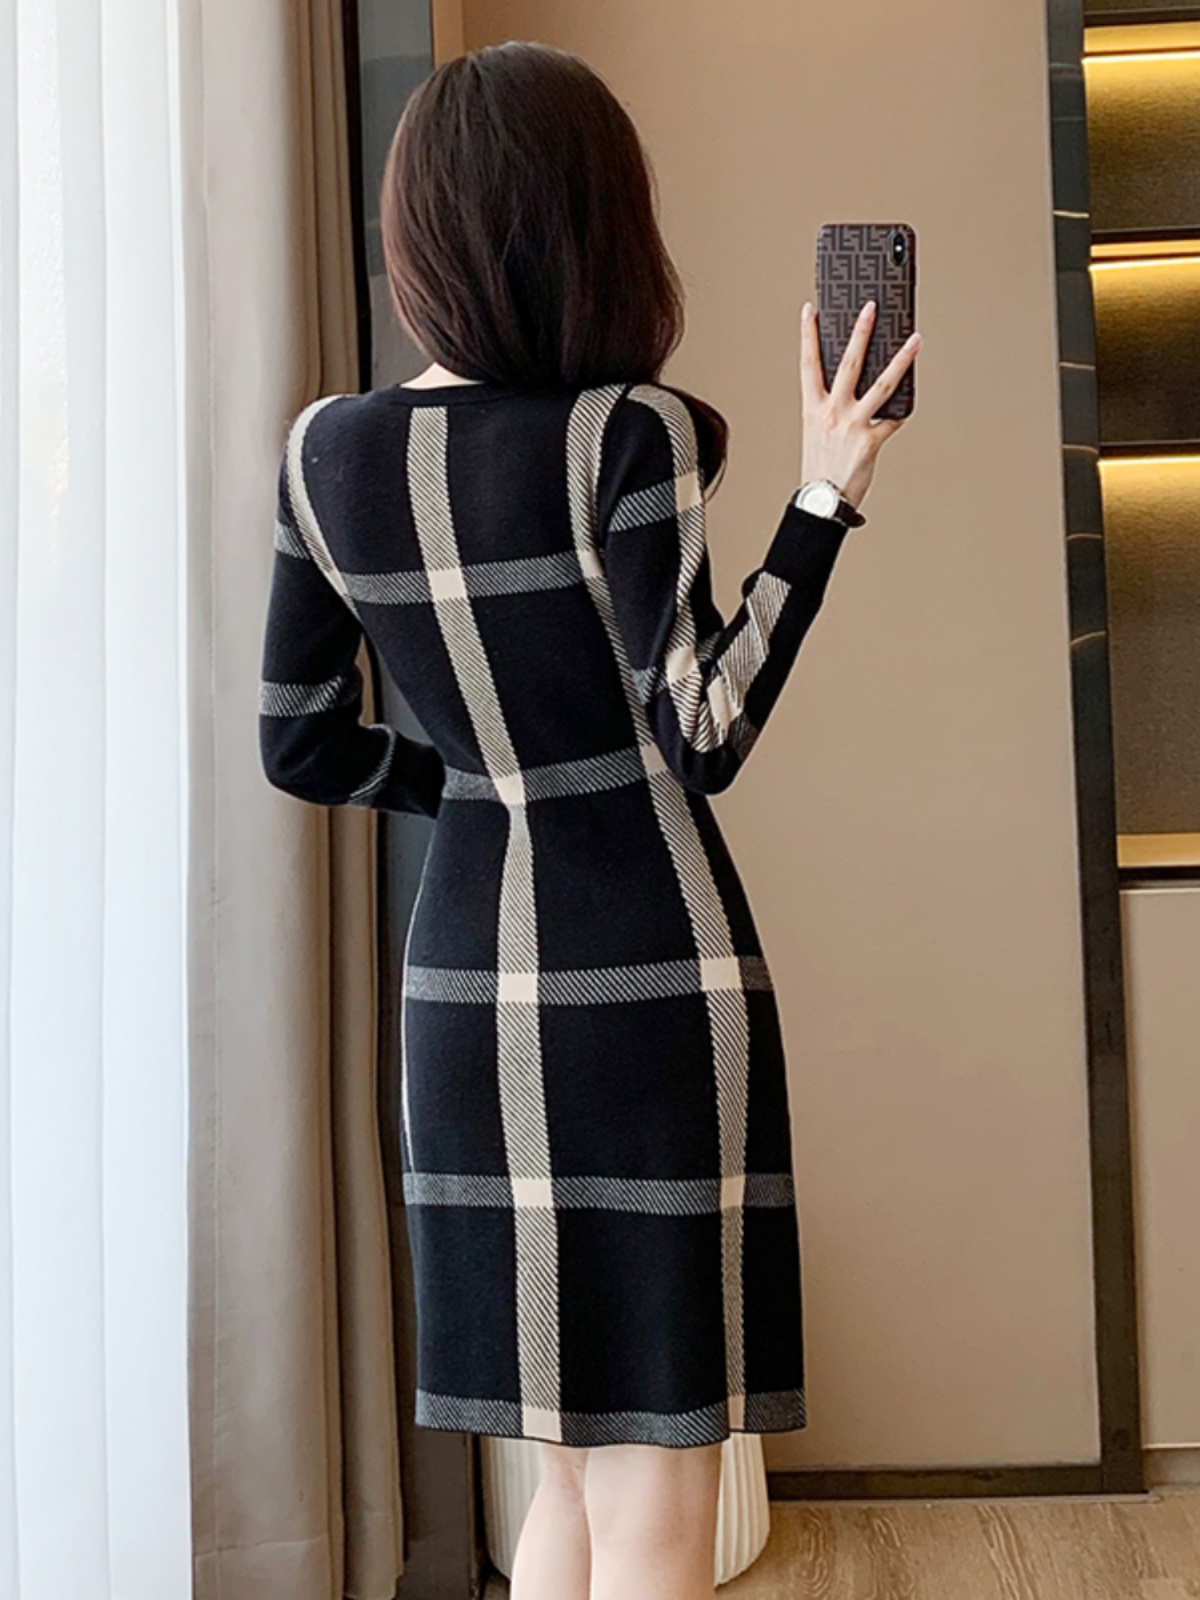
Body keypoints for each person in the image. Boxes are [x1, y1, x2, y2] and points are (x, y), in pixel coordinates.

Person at [258, 38, 919, 1600]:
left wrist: (474, 784)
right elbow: (704, 733)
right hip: (643, 987)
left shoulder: (324, 452)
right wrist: (827, 498)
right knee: (657, 1494)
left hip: (463, 995)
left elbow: (302, 744)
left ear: (420, 230)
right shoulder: (628, 432)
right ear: (598, 222)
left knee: (565, 1475)